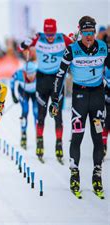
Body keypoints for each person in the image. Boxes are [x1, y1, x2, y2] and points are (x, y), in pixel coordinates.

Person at [49, 16, 109, 198]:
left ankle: (97, 175)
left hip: (98, 96)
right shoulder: (71, 51)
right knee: (77, 137)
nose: (89, 36)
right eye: (85, 33)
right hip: (80, 97)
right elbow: (59, 75)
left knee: (98, 138)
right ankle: (75, 174)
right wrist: (55, 100)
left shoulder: (104, 47)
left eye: (92, 32)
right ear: (80, 32)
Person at [20, 18, 73, 161]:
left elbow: (77, 48)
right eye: (48, 33)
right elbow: (22, 47)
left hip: (57, 79)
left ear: (55, 31)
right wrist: (26, 43)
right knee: (41, 114)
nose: (50, 37)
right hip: (42, 79)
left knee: (58, 115)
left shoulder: (62, 38)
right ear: (44, 31)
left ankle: (59, 144)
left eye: (52, 34)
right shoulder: (39, 37)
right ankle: (40, 143)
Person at [10, 62, 38, 150]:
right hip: (23, 91)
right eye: (29, 74)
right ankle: (23, 134)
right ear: (24, 72)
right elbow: (12, 81)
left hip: (35, 92)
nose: (31, 76)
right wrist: (13, 95)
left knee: (36, 112)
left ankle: (38, 135)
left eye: (33, 73)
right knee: (25, 111)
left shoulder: (38, 72)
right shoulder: (19, 73)